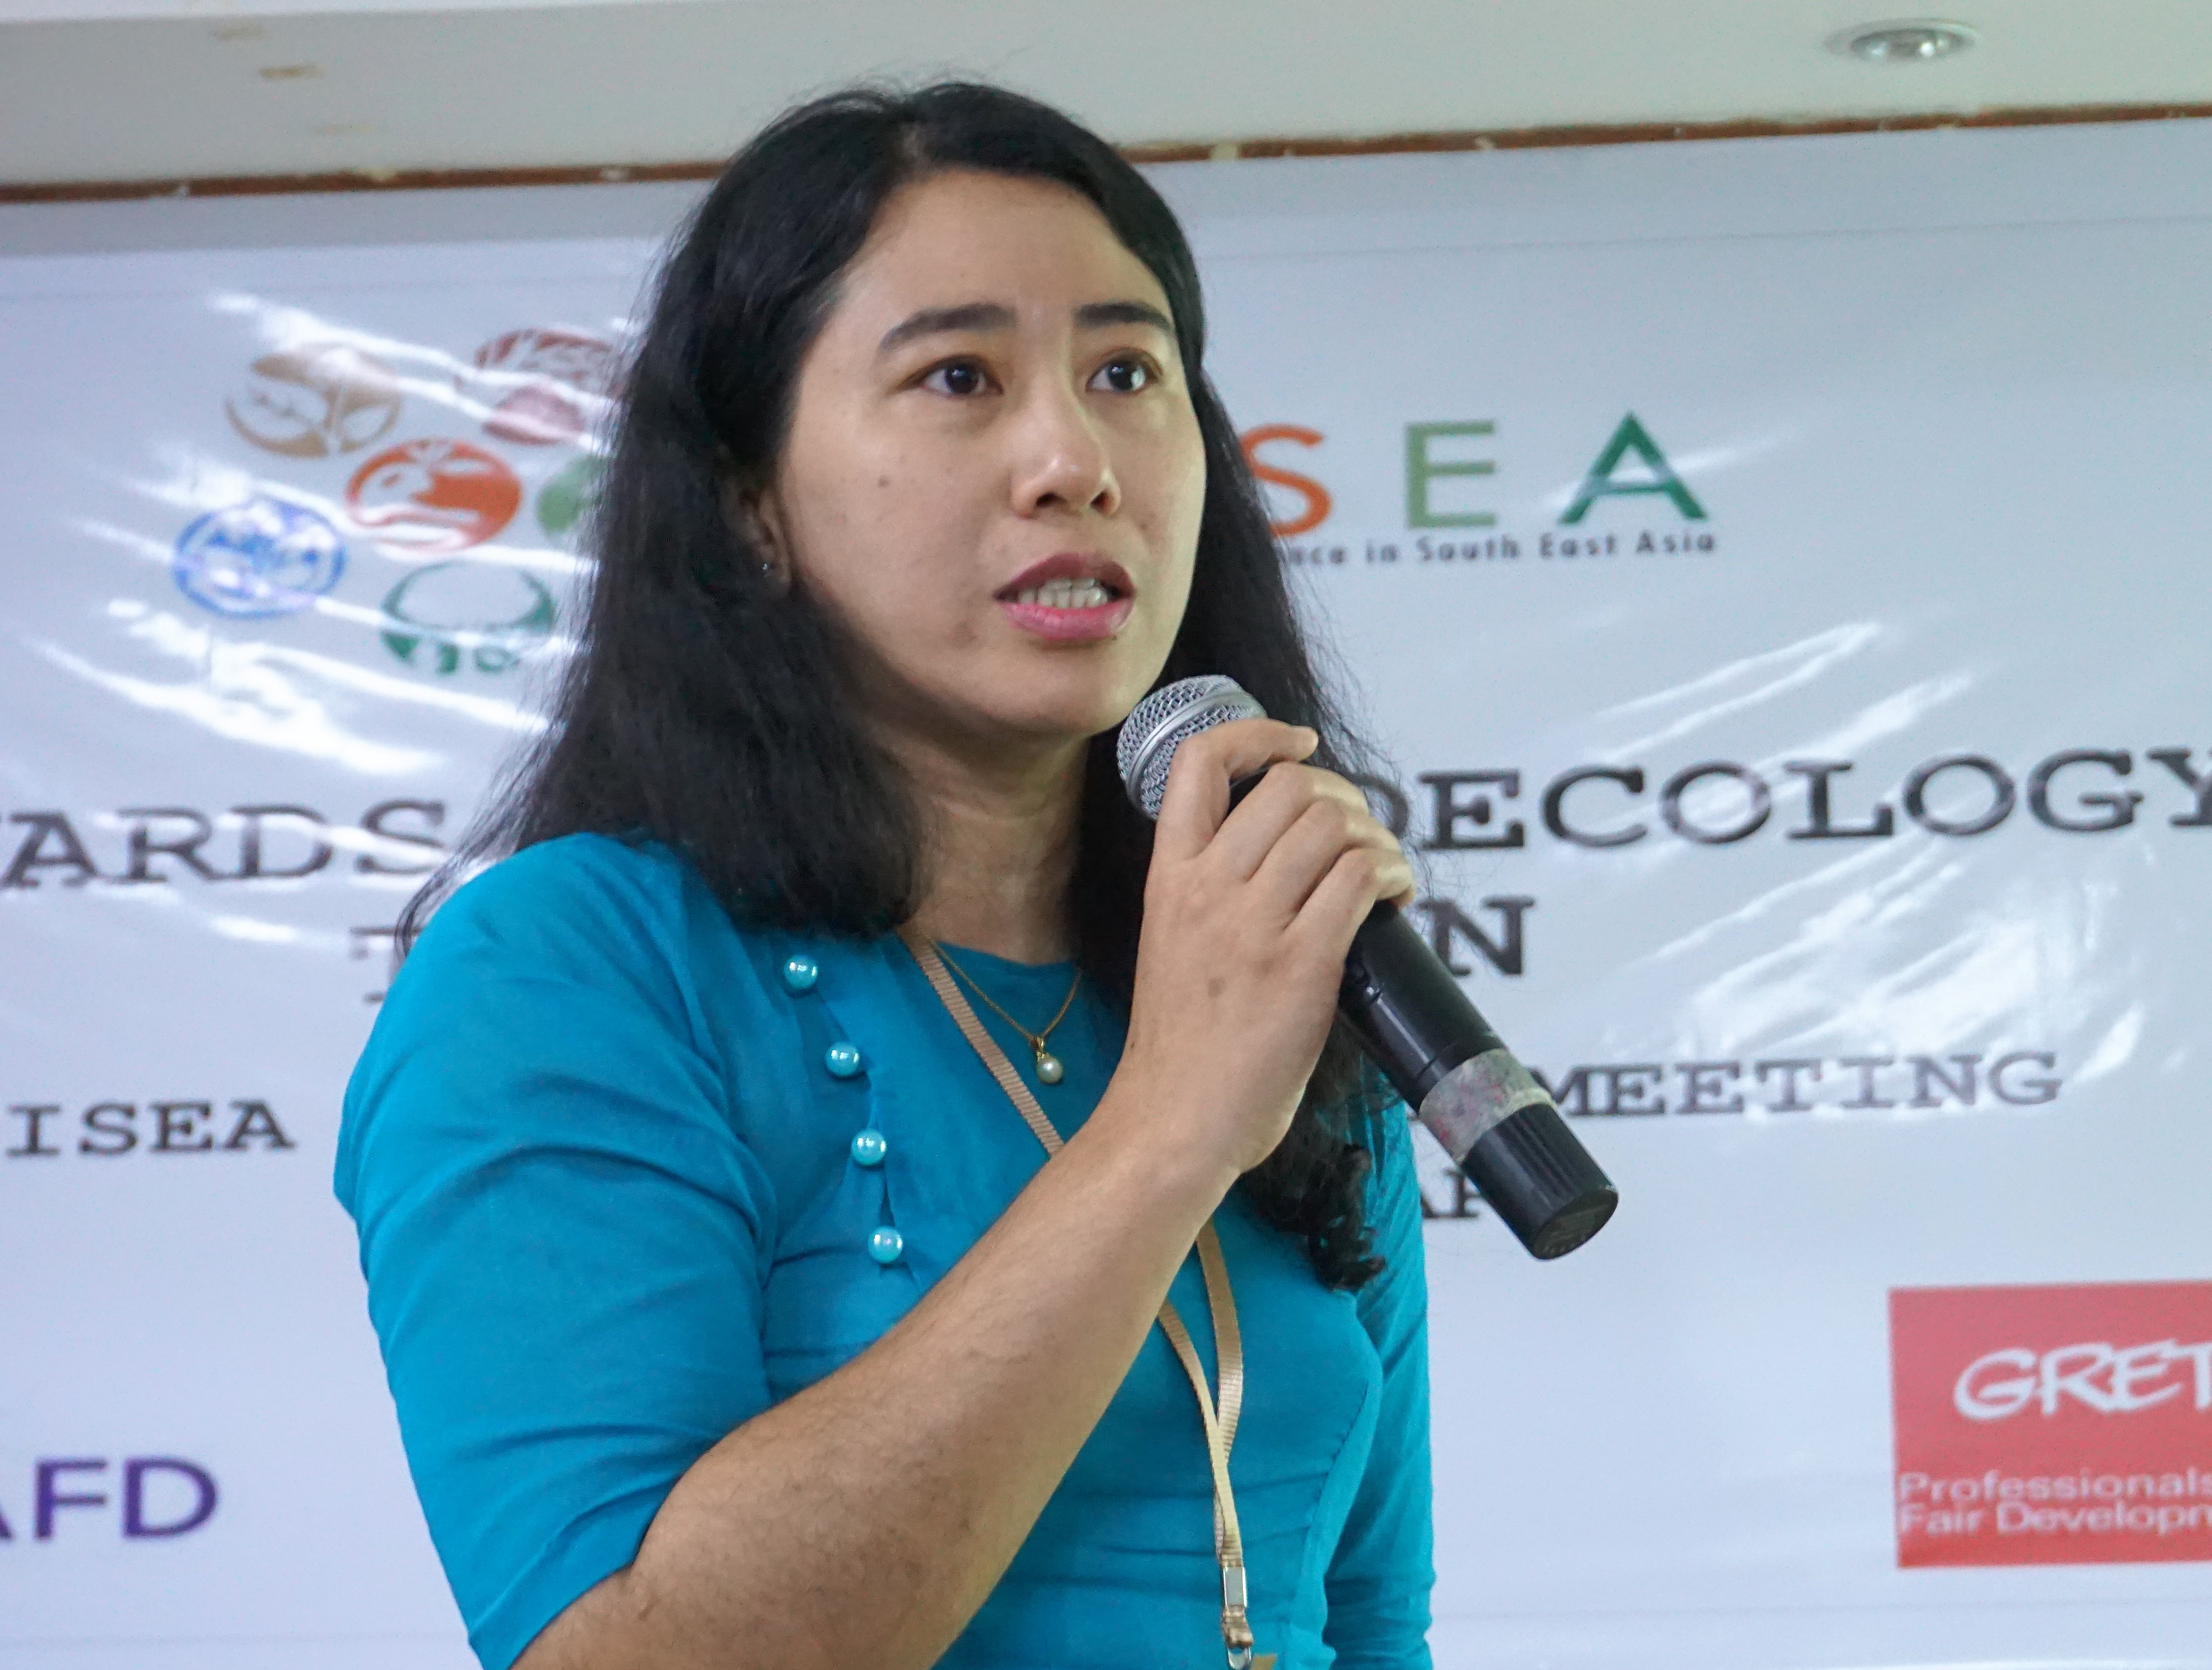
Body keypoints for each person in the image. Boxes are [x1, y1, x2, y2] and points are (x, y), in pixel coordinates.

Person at [334, 81, 1433, 1670]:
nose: (1074, 459)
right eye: (958, 378)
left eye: (1128, 373)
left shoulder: (1263, 961)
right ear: (750, 504)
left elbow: (1373, 1620)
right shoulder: (566, 972)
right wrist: (1170, 1127)